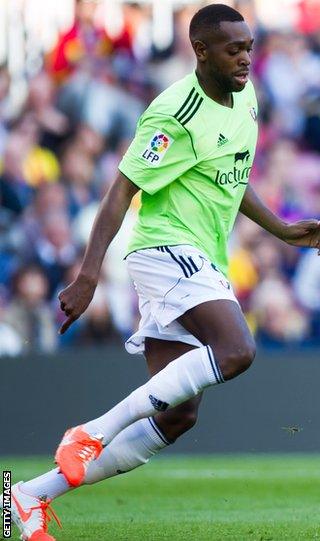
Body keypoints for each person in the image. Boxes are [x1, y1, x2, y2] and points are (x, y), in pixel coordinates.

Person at [2, 5, 320, 541]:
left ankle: (26, 496)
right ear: (200, 51)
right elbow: (122, 188)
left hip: (201, 255)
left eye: (248, 47)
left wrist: (284, 230)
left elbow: (231, 178)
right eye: (232, 49)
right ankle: (90, 432)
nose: (245, 59)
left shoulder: (246, 97)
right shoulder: (174, 112)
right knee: (237, 350)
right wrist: (88, 274)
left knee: (177, 416)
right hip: (165, 247)